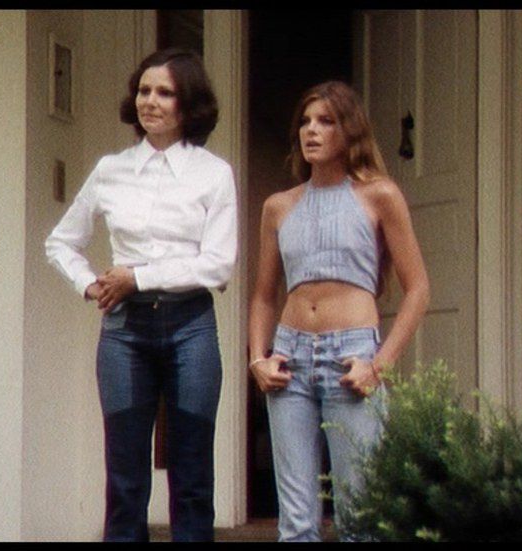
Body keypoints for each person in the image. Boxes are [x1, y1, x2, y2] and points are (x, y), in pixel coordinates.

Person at [45, 48, 237, 542]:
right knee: (125, 478)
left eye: (164, 93)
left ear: (188, 103)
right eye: (144, 90)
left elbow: (218, 264)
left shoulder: (213, 173)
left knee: (192, 474)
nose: (150, 101)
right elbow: (61, 241)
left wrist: (139, 277)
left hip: (191, 327)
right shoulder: (111, 169)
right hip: (125, 332)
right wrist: (89, 283)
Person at [247, 81, 429, 542]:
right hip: (289, 359)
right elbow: (264, 295)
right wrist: (257, 358)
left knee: (360, 515)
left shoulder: (379, 195)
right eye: (305, 122)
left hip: (351, 357)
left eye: (326, 121)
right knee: (296, 521)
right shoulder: (278, 206)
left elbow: (418, 289)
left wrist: (379, 366)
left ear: (349, 131)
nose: (312, 130)